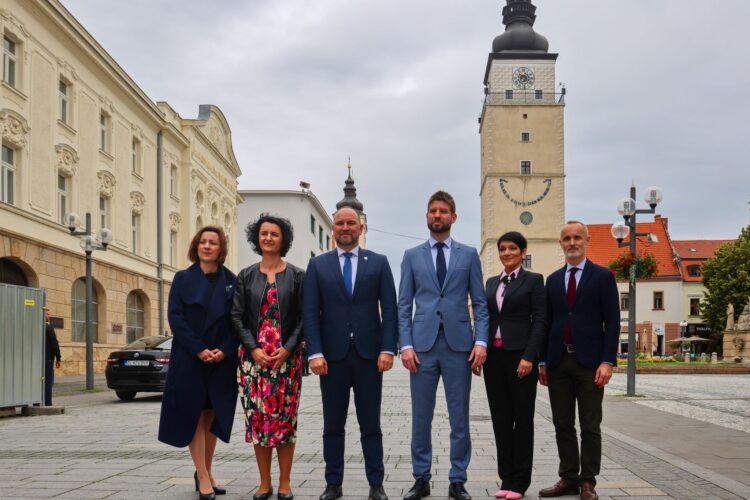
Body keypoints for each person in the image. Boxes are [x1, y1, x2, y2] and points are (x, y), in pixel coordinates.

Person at [398, 191, 489, 500]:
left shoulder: (468, 255)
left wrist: (481, 341)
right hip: (421, 348)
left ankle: (457, 480)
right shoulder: (412, 256)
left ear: (453, 217)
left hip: (459, 347)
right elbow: (403, 305)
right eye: (433, 211)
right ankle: (421, 478)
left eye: (443, 211)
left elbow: (479, 302)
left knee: (459, 417)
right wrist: (405, 345)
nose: (437, 215)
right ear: (427, 217)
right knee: (421, 417)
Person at [303, 207, 398, 500]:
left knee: (371, 424)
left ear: (360, 228)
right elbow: (310, 312)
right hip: (331, 359)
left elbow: (390, 309)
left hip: (370, 357)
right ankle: (333, 483)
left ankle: (376, 483)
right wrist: (314, 352)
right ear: (333, 229)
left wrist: (387, 348)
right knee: (333, 425)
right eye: (340, 223)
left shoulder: (379, 263)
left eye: (351, 223)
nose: (345, 227)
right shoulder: (318, 266)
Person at [538, 221, 619, 500]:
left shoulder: (602, 276)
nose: (571, 243)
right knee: (562, 423)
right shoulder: (553, 280)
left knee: (589, 425)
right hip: (558, 361)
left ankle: (588, 482)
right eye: (566, 239)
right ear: (560, 243)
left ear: (586, 240)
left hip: (590, 364)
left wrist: (608, 361)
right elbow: (546, 323)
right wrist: (542, 362)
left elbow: (613, 322)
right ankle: (568, 477)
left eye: (576, 238)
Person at [158, 226, 238, 500]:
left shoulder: (232, 280)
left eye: (212, 242)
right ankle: (203, 475)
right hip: (191, 359)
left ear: (220, 248)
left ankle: (206, 469)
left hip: (220, 361)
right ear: (196, 246)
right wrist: (199, 349)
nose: (207, 246)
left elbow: (237, 321)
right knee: (194, 415)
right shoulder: (182, 279)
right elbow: (175, 319)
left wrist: (224, 351)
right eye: (202, 242)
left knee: (212, 415)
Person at [231, 214, 305, 500]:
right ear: (256, 238)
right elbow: (236, 317)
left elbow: (304, 318)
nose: (269, 238)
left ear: (282, 239)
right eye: (264, 234)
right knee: (258, 422)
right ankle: (264, 482)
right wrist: (253, 349)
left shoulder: (297, 275)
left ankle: (285, 482)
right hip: (253, 363)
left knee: (285, 422)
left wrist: (287, 348)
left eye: (274, 234)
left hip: (286, 362)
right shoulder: (246, 276)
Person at [483, 232, 546, 500]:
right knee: (500, 419)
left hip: (520, 357)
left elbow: (540, 321)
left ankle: (520, 481)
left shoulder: (533, 281)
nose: (506, 253)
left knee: (522, 419)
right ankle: (505, 477)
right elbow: (485, 317)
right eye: (502, 249)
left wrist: (530, 357)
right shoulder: (491, 282)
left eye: (512, 248)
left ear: (522, 251)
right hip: (494, 359)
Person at [43, 307, 61, 406]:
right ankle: (48, 403)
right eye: (47, 314)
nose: (49, 316)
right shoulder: (49, 328)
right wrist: (58, 358)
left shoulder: (35, 327)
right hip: (48, 359)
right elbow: (54, 344)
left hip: (37, 360)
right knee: (48, 382)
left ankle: (37, 402)